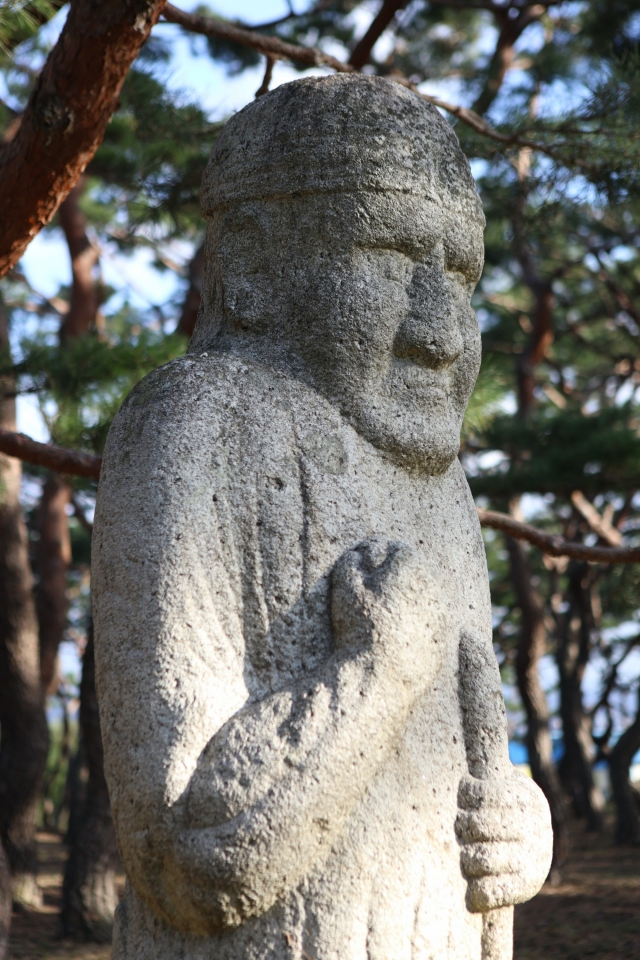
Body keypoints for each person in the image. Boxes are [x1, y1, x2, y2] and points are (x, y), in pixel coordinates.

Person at [93, 75, 552, 960]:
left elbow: (472, 759)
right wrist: (380, 673)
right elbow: (189, 853)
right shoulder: (195, 425)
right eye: (392, 258)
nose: (443, 329)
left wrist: (518, 825)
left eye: (462, 278)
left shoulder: (446, 494)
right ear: (255, 264)